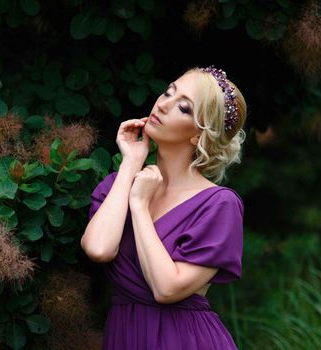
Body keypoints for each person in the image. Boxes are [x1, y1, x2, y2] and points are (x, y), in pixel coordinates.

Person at [81, 65, 247, 349]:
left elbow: (167, 288)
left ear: (199, 136)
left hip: (184, 339)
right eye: (168, 92)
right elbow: (98, 248)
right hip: (124, 337)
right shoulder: (119, 184)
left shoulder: (219, 204)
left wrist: (140, 206)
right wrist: (131, 164)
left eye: (183, 107)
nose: (163, 104)